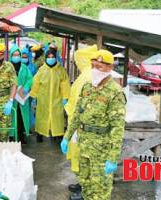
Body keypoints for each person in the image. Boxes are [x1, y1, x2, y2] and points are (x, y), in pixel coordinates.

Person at [61, 49, 126, 200]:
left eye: (99, 67)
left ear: (110, 68)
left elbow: (118, 127)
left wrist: (113, 157)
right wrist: (67, 136)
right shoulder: (87, 87)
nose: (95, 70)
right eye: (93, 66)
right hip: (84, 145)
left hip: (101, 150)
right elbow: (77, 114)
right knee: (86, 184)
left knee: (100, 190)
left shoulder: (115, 92)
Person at [64, 45, 98, 194]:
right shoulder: (87, 74)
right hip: (79, 122)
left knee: (84, 156)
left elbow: (82, 103)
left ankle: (86, 190)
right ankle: (82, 184)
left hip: (83, 124)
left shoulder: (88, 76)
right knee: (82, 156)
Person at [30, 48, 70, 142]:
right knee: (41, 117)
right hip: (43, 98)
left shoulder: (61, 70)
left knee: (57, 117)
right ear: (46, 58)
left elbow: (65, 84)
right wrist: (34, 95)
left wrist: (65, 97)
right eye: (49, 57)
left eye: (52, 57)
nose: (51, 59)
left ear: (56, 58)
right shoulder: (42, 70)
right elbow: (36, 83)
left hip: (57, 98)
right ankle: (40, 134)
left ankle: (58, 134)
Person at [8, 44, 33, 143]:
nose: (16, 57)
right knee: (12, 116)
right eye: (14, 55)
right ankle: (12, 136)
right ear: (10, 55)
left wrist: (25, 88)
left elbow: (30, 79)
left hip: (22, 94)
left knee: (22, 116)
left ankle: (22, 137)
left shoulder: (24, 68)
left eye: (18, 55)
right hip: (10, 95)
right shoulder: (7, 67)